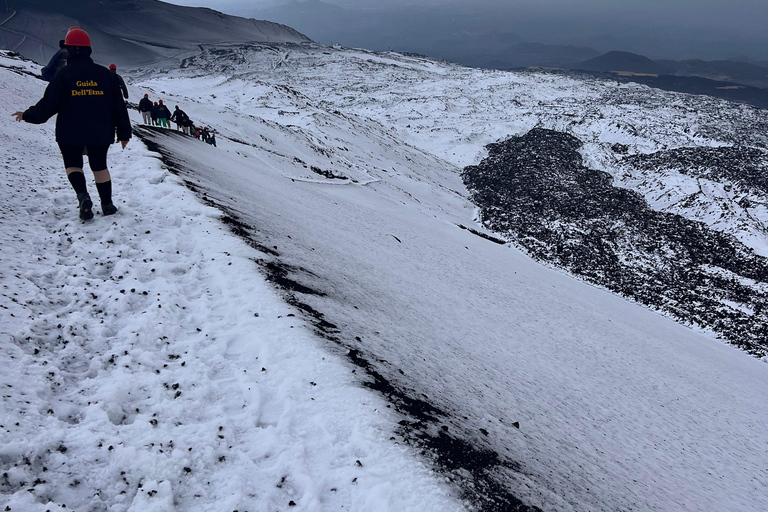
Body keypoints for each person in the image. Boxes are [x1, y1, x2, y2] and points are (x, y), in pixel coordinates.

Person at [13, 27, 131, 221]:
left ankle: (83, 197)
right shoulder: (106, 75)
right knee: (99, 166)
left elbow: (48, 105)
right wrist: (124, 133)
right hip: (100, 130)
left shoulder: (64, 75)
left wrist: (27, 115)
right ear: (89, 50)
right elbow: (119, 106)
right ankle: (107, 205)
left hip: (69, 130)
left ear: (68, 50)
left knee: (73, 165)